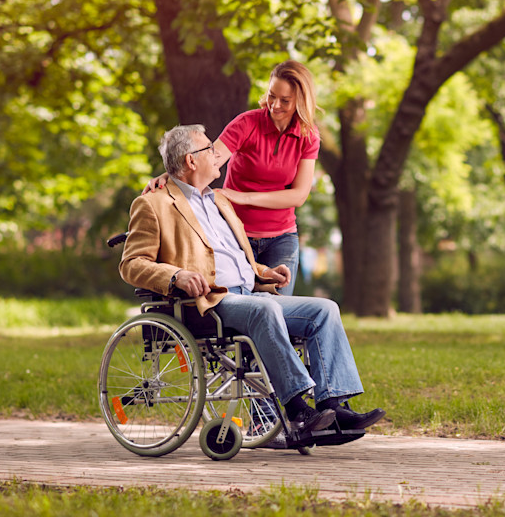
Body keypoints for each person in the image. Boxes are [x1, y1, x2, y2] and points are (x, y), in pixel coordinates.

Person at [122, 124, 383, 444]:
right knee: (264, 310)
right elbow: (132, 264)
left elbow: (232, 256)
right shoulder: (153, 204)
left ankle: (333, 407)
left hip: (250, 295)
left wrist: (263, 272)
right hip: (209, 302)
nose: (218, 156)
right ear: (191, 161)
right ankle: (299, 410)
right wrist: (176, 276)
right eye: (209, 150)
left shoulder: (219, 201)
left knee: (324, 310)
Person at [144, 60, 321, 296]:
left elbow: (298, 196)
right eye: (271, 96)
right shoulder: (247, 123)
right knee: (246, 315)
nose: (275, 105)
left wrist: (243, 197)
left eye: (285, 101)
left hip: (281, 238)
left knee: (282, 311)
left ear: (301, 101)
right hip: (236, 234)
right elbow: (207, 158)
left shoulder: (308, 137)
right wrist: (171, 172)